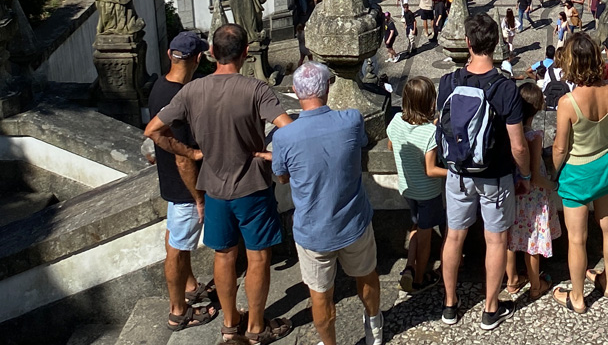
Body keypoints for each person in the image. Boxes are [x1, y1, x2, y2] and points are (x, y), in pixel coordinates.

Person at [145, 23, 294, 345]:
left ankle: (229, 324)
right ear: (245, 53)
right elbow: (289, 129)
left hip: (213, 186)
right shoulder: (257, 90)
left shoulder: (191, 91)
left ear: (211, 53)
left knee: (223, 256)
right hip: (252, 186)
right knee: (257, 258)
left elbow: (153, 130)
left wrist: (191, 151)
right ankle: (255, 327)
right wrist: (270, 156)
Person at [266, 62, 383, 345]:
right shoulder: (351, 120)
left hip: (312, 230)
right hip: (353, 220)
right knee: (366, 276)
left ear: (295, 92)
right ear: (328, 88)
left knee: (320, 294)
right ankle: (375, 330)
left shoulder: (284, 136)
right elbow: (363, 142)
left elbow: (281, 178)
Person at [436, 13, 532, 330]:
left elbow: (444, 129)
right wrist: (526, 176)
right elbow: (519, 146)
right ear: (497, 44)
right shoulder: (505, 89)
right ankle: (490, 309)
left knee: (454, 238)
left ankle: (450, 305)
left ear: (467, 44)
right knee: (495, 242)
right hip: (495, 175)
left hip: (458, 173)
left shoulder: (448, 83)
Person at [145, 31, 218, 333]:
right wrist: (199, 198)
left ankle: (189, 286)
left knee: (174, 239)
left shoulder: (159, 87)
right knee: (177, 247)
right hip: (184, 187)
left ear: (169, 55)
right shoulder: (180, 97)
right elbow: (184, 159)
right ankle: (178, 311)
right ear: (198, 58)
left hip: (171, 184)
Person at [551, 34, 608, 314]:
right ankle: (607, 284)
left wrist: (551, 172)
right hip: (604, 163)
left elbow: (559, 147)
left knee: (577, 239)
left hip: (577, 172)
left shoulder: (568, 102)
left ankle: (578, 297)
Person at [387, 76, 448, 293]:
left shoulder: (395, 121)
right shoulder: (430, 133)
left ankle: (409, 268)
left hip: (407, 187)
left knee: (415, 225)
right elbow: (431, 170)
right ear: (430, 102)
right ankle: (420, 278)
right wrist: (453, 173)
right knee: (425, 236)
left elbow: (391, 145)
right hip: (427, 193)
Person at [506, 82, 561, 301]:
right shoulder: (534, 136)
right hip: (533, 198)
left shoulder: (510, 134)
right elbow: (536, 176)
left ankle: (511, 281)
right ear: (538, 107)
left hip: (514, 193)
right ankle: (536, 285)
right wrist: (554, 186)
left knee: (511, 239)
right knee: (533, 244)